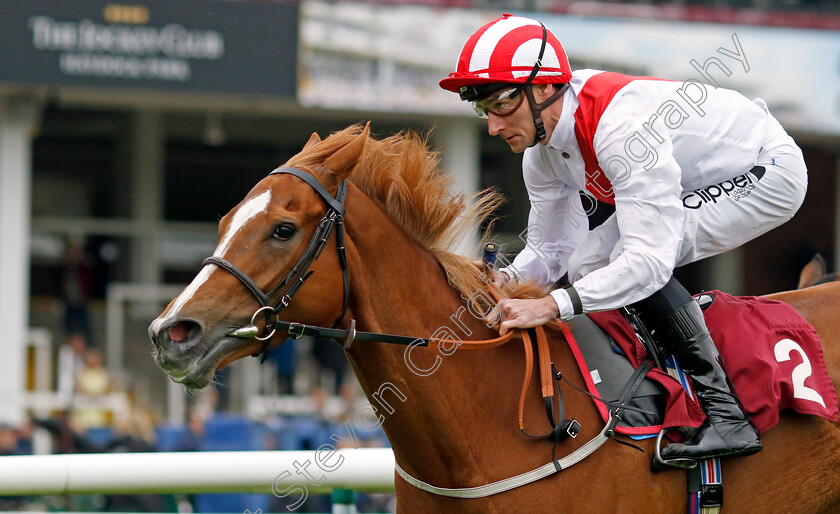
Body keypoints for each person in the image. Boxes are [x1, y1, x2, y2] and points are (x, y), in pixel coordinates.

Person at [439, 14, 807, 462]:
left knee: (622, 258)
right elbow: (550, 250)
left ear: (542, 88)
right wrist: (502, 278)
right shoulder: (541, 155)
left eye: (501, 103)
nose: (494, 126)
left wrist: (549, 304)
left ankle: (727, 416)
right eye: (483, 109)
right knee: (590, 263)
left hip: (767, 170)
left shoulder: (620, 128)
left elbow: (649, 263)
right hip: (700, 173)